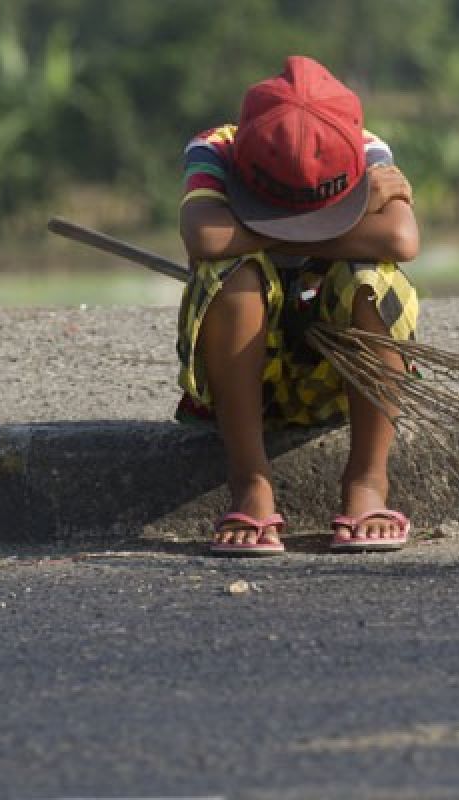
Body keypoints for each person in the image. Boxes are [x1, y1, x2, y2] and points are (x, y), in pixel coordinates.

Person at [175, 55, 420, 556]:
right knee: (234, 277)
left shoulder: (366, 149)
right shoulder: (216, 148)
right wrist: (335, 225)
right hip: (243, 384)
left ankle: (368, 481)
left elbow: (398, 236)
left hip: (335, 376)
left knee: (370, 277)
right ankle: (251, 482)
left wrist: (259, 234)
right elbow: (204, 235)